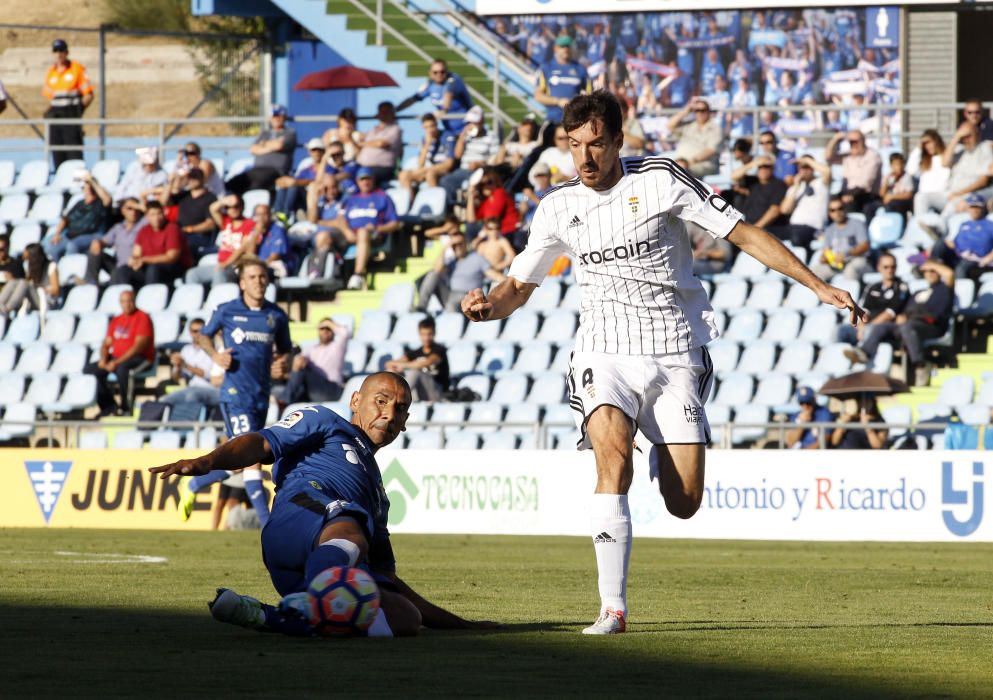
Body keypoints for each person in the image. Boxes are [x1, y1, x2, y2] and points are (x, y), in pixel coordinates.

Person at [459, 90, 861, 635]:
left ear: (619, 142)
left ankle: (662, 454)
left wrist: (817, 285)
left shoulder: (660, 178)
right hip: (603, 351)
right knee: (611, 461)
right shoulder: (557, 204)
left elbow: (742, 234)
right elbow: (516, 287)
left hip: (674, 351)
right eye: (574, 145)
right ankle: (613, 608)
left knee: (684, 502)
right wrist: (489, 308)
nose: (585, 158)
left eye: (596, 145)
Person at [149, 372, 494, 638]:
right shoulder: (325, 421)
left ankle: (281, 617)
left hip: (312, 568)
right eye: (381, 401)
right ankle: (312, 603)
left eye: (400, 409)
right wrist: (210, 461)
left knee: (405, 617)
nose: (389, 414)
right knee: (348, 521)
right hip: (298, 518)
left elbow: (386, 578)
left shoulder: (377, 496)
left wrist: (462, 624)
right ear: (356, 401)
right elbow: (262, 443)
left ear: (405, 423)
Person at [177, 258, 292, 525]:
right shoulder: (227, 311)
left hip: (261, 394)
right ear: (242, 283)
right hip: (235, 394)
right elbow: (203, 336)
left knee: (240, 460)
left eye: (262, 277)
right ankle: (268, 525)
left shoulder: (275, 315)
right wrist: (215, 355)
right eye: (252, 277)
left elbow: (286, 351)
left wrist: (283, 365)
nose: (259, 282)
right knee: (251, 456)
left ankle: (195, 485)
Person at [844, 261, 953, 386]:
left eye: (933, 271)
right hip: (909, 325)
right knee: (881, 327)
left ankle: (921, 365)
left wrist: (929, 264)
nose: (930, 273)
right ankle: (864, 353)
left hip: (932, 326)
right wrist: (902, 316)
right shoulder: (918, 292)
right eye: (927, 271)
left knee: (908, 327)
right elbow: (905, 311)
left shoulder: (945, 289)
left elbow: (949, 274)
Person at [83, 288, 154, 416]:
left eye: (129, 301)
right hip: (117, 358)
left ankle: (126, 408)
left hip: (140, 358)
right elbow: (106, 344)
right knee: (90, 370)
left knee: (123, 369)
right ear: (120, 303)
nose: (127, 304)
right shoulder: (117, 320)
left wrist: (116, 362)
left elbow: (139, 347)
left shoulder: (143, 318)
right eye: (123, 301)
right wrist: (104, 359)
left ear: (134, 301)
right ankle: (109, 407)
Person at [332, 167, 401, 291]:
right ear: (357, 181)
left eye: (368, 179)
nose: (365, 182)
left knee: (363, 232)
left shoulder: (382, 197)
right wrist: (347, 232)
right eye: (362, 179)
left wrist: (377, 228)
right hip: (349, 234)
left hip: (373, 235)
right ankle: (328, 277)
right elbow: (340, 219)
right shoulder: (351, 199)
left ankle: (358, 275)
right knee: (323, 237)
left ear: (373, 180)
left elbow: (395, 223)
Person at [416, 230, 505, 312]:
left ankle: (451, 321)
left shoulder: (477, 258)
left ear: (465, 243)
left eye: (460, 244)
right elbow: (436, 270)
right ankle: (421, 308)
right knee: (433, 274)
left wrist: (512, 283)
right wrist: (446, 246)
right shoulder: (452, 261)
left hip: (468, 296)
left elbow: (496, 276)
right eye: (454, 245)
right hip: (449, 295)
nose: (457, 247)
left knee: (456, 300)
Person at [837, 252, 910, 347]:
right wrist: (862, 326)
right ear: (879, 268)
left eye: (893, 267)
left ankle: (860, 354)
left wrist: (868, 327)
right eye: (886, 267)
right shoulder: (873, 287)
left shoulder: (901, 287)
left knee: (872, 330)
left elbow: (890, 313)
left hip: (885, 327)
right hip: (868, 325)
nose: (890, 270)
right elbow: (865, 310)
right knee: (841, 330)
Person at [226, 105, 298, 196]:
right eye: (274, 116)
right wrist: (270, 146)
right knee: (233, 182)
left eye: (279, 116)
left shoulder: (290, 133)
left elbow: (279, 145)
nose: (276, 118)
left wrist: (263, 145)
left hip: (276, 171)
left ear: (284, 117)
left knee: (254, 184)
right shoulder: (265, 133)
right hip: (256, 170)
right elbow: (253, 149)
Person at [186, 194, 257, 285]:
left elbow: (242, 248)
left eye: (236, 206)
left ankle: (217, 299)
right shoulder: (226, 222)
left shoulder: (249, 224)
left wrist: (226, 263)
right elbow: (212, 208)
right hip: (220, 264)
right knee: (192, 274)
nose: (233, 209)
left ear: (242, 206)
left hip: (236, 265)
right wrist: (224, 201)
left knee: (219, 274)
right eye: (228, 207)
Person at [43, 39, 93, 168]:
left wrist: (78, 111)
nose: (58, 54)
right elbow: (50, 96)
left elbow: (88, 95)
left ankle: (76, 184)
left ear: (66, 52)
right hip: (55, 116)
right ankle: (60, 180)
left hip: (71, 114)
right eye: (55, 51)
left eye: (61, 51)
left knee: (73, 152)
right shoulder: (51, 72)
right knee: (57, 152)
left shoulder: (76, 69)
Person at [116, 200, 190, 288]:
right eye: (152, 215)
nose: (156, 218)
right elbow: (136, 253)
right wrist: (134, 260)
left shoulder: (172, 228)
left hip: (172, 268)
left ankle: (151, 298)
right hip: (149, 267)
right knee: (123, 270)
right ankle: (125, 297)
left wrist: (144, 260)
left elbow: (172, 257)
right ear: (147, 216)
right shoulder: (144, 231)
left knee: (153, 269)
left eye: (159, 214)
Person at [534, 35, 591, 144]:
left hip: (575, 122)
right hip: (553, 120)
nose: (565, 49)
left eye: (568, 46)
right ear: (555, 48)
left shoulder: (580, 69)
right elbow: (538, 95)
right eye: (562, 46)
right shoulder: (546, 68)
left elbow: (590, 95)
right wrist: (558, 101)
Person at [396, 58, 473, 138]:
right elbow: (414, 99)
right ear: (430, 73)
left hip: (467, 127)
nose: (439, 74)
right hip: (450, 130)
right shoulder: (430, 84)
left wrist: (440, 112)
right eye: (435, 72)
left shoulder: (453, 80)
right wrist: (395, 110)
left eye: (442, 72)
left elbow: (447, 97)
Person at [42, 171, 110, 261]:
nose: (87, 187)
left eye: (89, 185)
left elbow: (107, 199)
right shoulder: (79, 203)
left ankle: (71, 270)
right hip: (71, 234)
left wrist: (92, 180)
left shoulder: (100, 203)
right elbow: (65, 219)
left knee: (72, 246)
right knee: (48, 244)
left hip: (92, 234)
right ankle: (56, 270)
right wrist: (57, 234)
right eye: (86, 185)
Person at [770, 155, 832, 249]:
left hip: (814, 228)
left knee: (796, 237)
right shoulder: (796, 186)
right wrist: (796, 187)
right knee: (767, 233)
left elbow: (827, 171)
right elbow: (785, 210)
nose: (804, 170)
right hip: (793, 226)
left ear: (813, 168)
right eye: (801, 167)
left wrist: (807, 160)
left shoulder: (821, 183)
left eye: (807, 167)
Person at [927, 193, 993, 281]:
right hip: (958, 255)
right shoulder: (963, 224)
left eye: (977, 207)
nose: (974, 210)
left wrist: (988, 258)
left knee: (961, 268)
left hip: (976, 259)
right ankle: (932, 269)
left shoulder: (990, 225)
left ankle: (958, 290)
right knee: (940, 244)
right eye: (972, 206)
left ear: (983, 208)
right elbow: (954, 243)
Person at [284, 318, 349, 403]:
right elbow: (298, 362)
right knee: (298, 363)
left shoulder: (337, 347)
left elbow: (345, 333)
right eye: (322, 328)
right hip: (313, 389)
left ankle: (284, 401)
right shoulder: (311, 349)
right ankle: (284, 401)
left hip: (331, 389)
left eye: (328, 328)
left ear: (333, 331)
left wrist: (328, 323)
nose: (325, 331)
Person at [385, 318, 450, 402]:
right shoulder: (416, 352)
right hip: (419, 392)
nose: (426, 338)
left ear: (434, 333)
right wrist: (397, 368)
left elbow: (426, 363)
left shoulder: (439, 350)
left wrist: (403, 366)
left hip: (437, 393)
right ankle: (387, 398)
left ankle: (398, 398)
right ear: (419, 334)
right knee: (392, 371)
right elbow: (389, 364)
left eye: (429, 334)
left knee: (416, 372)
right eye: (423, 334)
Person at [163, 318, 221, 409]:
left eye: (200, 331)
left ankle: (190, 423)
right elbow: (177, 378)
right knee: (165, 400)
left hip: (209, 389)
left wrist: (185, 365)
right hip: (191, 388)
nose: (197, 334)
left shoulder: (212, 350)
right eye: (194, 331)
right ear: (190, 332)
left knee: (192, 396)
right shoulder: (186, 350)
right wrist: (177, 366)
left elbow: (207, 375)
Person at [85, 197, 145, 285]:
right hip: (118, 264)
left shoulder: (144, 224)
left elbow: (152, 212)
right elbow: (105, 241)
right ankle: (91, 284)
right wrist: (98, 242)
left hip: (134, 266)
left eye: (136, 209)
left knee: (120, 272)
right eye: (129, 208)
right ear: (123, 210)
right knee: (94, 252)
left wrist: (137, 205)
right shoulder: (118, 227)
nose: (133, 212)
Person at [162, 166, 217, 261]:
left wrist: (190, 229)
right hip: (179, 233)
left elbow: (210, 224)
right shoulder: (184, 195)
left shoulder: (210, 198)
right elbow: (164, 202)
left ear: (202, 179)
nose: (192, 180)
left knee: (180, 245)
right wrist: (170, 182)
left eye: (195, 177)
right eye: (190, 177)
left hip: (199, 236)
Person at [810, 196, 870, 281]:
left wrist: (846, 254)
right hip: (836, 264)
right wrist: (824, 258)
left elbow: (865, 245)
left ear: (845, 209)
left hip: (857, 260)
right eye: (833, 210)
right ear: (829, 213)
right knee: (813, 272)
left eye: (840, 208)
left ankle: (849, 294)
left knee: (851, 270)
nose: (837, 212)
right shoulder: (829, 230)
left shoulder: (857, 224)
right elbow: (826, 251)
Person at [396, 113, 456, 199]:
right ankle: (409, 204)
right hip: (426, 169)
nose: (430, 130)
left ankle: (436, 203)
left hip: (440, 170)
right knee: (403, 175)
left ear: (436, 124)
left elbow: (449, 164)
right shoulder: (425, 140)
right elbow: (420, 164)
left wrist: (427, 170)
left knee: (430, 174)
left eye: (431, 126)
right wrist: (427, 145)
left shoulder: (448, 136)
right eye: (426, 127)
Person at [824, 130, 881, 216]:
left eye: (856, 141)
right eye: (851, 142)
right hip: (847, 192)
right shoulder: (847, 156)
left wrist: (850, 195)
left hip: (865, 194)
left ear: (863, 141)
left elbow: (866, 183)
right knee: (829, 202)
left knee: (848, 206)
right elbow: (828, 158)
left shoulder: (873, 156)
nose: (853, 144)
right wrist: (835, 139)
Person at [0, 243, 59, 319]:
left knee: (25, 283)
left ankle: (8, 309)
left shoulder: (51, 266)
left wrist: (39, 287)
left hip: (45, 300)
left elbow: (56, 290)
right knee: (14, 282)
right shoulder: (29, 266)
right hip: (33, 297)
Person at [666, 98, 722, 177]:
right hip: (681, 163)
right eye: (696, 110)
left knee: (681, 172)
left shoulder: (715, 128)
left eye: (703, 110)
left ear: (708, 112)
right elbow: (669, 125)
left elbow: (711, 150)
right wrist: (686, 111)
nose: (700, 113)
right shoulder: (689, 125)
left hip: (703, 164)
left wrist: (689, 162)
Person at [273, 138, 325, 220]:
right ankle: (279, 215)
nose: (317, 153)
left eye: (319, 150)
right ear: (309, 152)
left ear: (324, 152)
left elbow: (322, 181)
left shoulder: (327, 168)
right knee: (286, 186)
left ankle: (286, 215)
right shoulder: (306, 169)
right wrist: (284, 181)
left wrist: (297, 182)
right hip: (304, 197)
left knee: (294, 186)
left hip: (317, 197)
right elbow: (294, 180)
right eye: (314, 150)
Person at [355, 101, 402, 188]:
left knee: (364, 178)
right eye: (381, 111)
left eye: (386, 112)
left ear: (392, 113)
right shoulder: (372, 130)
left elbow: (381, 143)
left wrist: (362, 144)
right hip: (362, 165)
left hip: (381, 167)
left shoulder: (395, 129)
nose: (383, 114)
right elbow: (363, 143)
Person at [733, 157, 788, 230]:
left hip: (768, 228)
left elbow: (774, 211)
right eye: (760, 167)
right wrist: (752, 164)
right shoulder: (754, 181)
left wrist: (755, 229)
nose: (763, 170)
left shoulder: (779, 185)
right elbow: (734, 176)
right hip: (749, 225)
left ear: (772, 168)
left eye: (767, 167)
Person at [254, 204, 296, 279]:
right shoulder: (254, 231)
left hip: (275, 265)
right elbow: (249, 253)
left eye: (264, 214)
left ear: (270, 215)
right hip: (260, 265)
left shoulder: (277, 230)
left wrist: (259, 267)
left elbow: (275, 256)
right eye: (258, 214)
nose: (261, 217)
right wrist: (255, 235)